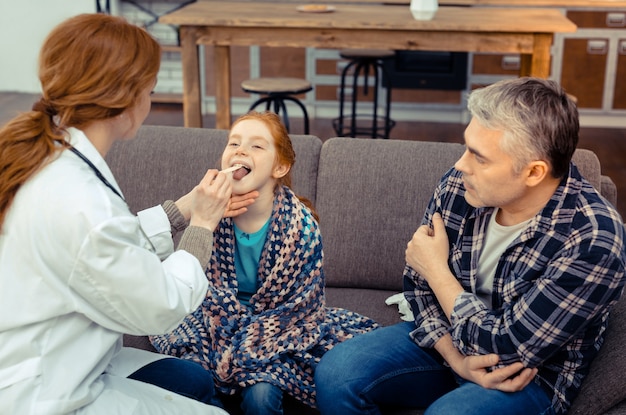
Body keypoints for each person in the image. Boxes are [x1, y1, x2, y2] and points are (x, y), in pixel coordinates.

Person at [314, 77, 626, 415]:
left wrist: (437, 270)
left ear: (534, 172)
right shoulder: (461, 185)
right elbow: (418, 286)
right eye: (467, 148)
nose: (461, 164)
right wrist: (455, 359)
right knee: (336, 373)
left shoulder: (594, 242)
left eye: (480, 157)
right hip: (448, 344)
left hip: (526, 377)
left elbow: (508, 347)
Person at [0, 13, 256, 415]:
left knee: (193, 380)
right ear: (127, 99)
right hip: (46, 391)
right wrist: (203, 225)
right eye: (150, 90)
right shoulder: (80, 200)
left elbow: (101, 251)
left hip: (62, 357)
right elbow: (161, 304)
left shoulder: (52, 157)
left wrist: (183, 209)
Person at [150, 111, 379, 415]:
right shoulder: (209, 216)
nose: (241, 150)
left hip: (277, 333)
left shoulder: (301, 229)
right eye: (234, 143)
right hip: (213, 325)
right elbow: (194, 283)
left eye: (257, 146)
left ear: (279, 166)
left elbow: (298, 309)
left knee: (261, 397)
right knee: (189, 379)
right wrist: (200, 219)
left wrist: (245, 344)